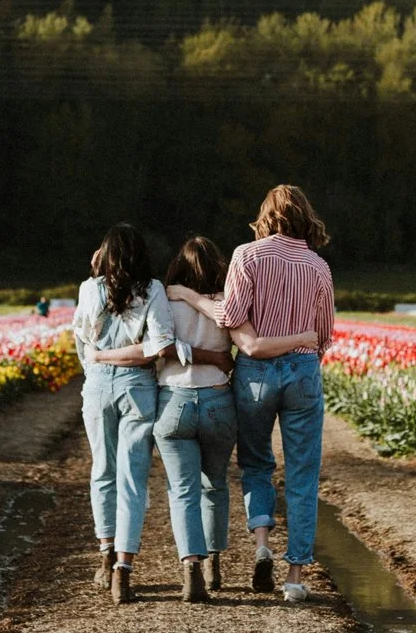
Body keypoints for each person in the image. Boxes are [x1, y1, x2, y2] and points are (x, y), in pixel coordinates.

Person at [112, 237, 316, 602]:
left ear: (178, 268)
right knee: (215, 484)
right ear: (218, 268)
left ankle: (191, 569)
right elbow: (244, 347)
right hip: (219, 402)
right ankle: (214, 563)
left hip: (174, 401)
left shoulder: (167, 300)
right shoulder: (225, 303)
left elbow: (154, 347)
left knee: (183, 490)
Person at [168, 185, 335, 603]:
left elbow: (229, 316)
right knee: (302, 474)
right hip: (301, 372)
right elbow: (324, 335)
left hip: (255, 373)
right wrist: (296, 344)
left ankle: (262, 545)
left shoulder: (247, 254)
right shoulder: (319, 267)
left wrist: (187, 295)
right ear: (305, 217)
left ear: (266, 216)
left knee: (257, 463)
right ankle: (295, 575)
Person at [72, 224, 175, 605]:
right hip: (138, 387)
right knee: (133, 478)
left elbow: (83, 341)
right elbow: (159, 347)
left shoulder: (89, 289)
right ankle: (123, 570)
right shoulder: (153, 289)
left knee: (102, 470)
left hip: (98, 385)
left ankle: (104, 553)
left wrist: (100, 359)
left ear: (104, 255)